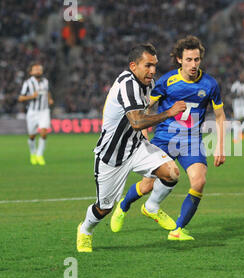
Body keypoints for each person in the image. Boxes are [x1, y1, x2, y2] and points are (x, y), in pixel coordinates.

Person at [76, 44, 187, 252]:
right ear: (133, 66)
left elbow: (146, 109)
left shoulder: (147, 82)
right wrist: (170, 113)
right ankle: (85, 230)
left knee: (171, 173)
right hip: (112, 156)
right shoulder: (127, 84)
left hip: (136, 147)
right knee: (104, 208)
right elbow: (136, 122)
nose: (153, 70)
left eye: (155, 65)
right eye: (148, 65)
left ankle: (151, 207)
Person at [114, 36, 226, 241]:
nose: (193, 64)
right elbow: (145, 107)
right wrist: (144, 131)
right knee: (147, 186)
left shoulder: (210, 84)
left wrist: (220, 146)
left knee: (199, 181)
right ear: (179, 60)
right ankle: (123, 206)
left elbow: (220, 116)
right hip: (164, 138)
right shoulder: (167, 81)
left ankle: (178, 229)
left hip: (191, 141)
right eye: (189, 59)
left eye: (197, 59)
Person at [18, 62, 54, 165]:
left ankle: (39, 155)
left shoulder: (45, 82)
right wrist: (31, 96)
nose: (38, 70)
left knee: (43, 132)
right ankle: (33, 153)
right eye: (36, 69)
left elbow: (47, 92)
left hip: (44, 110)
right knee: (32, 136)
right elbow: (20, 98)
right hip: (32, 112)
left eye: (40, 69)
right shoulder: (27, 83)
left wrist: (50, 99)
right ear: (31, 72)